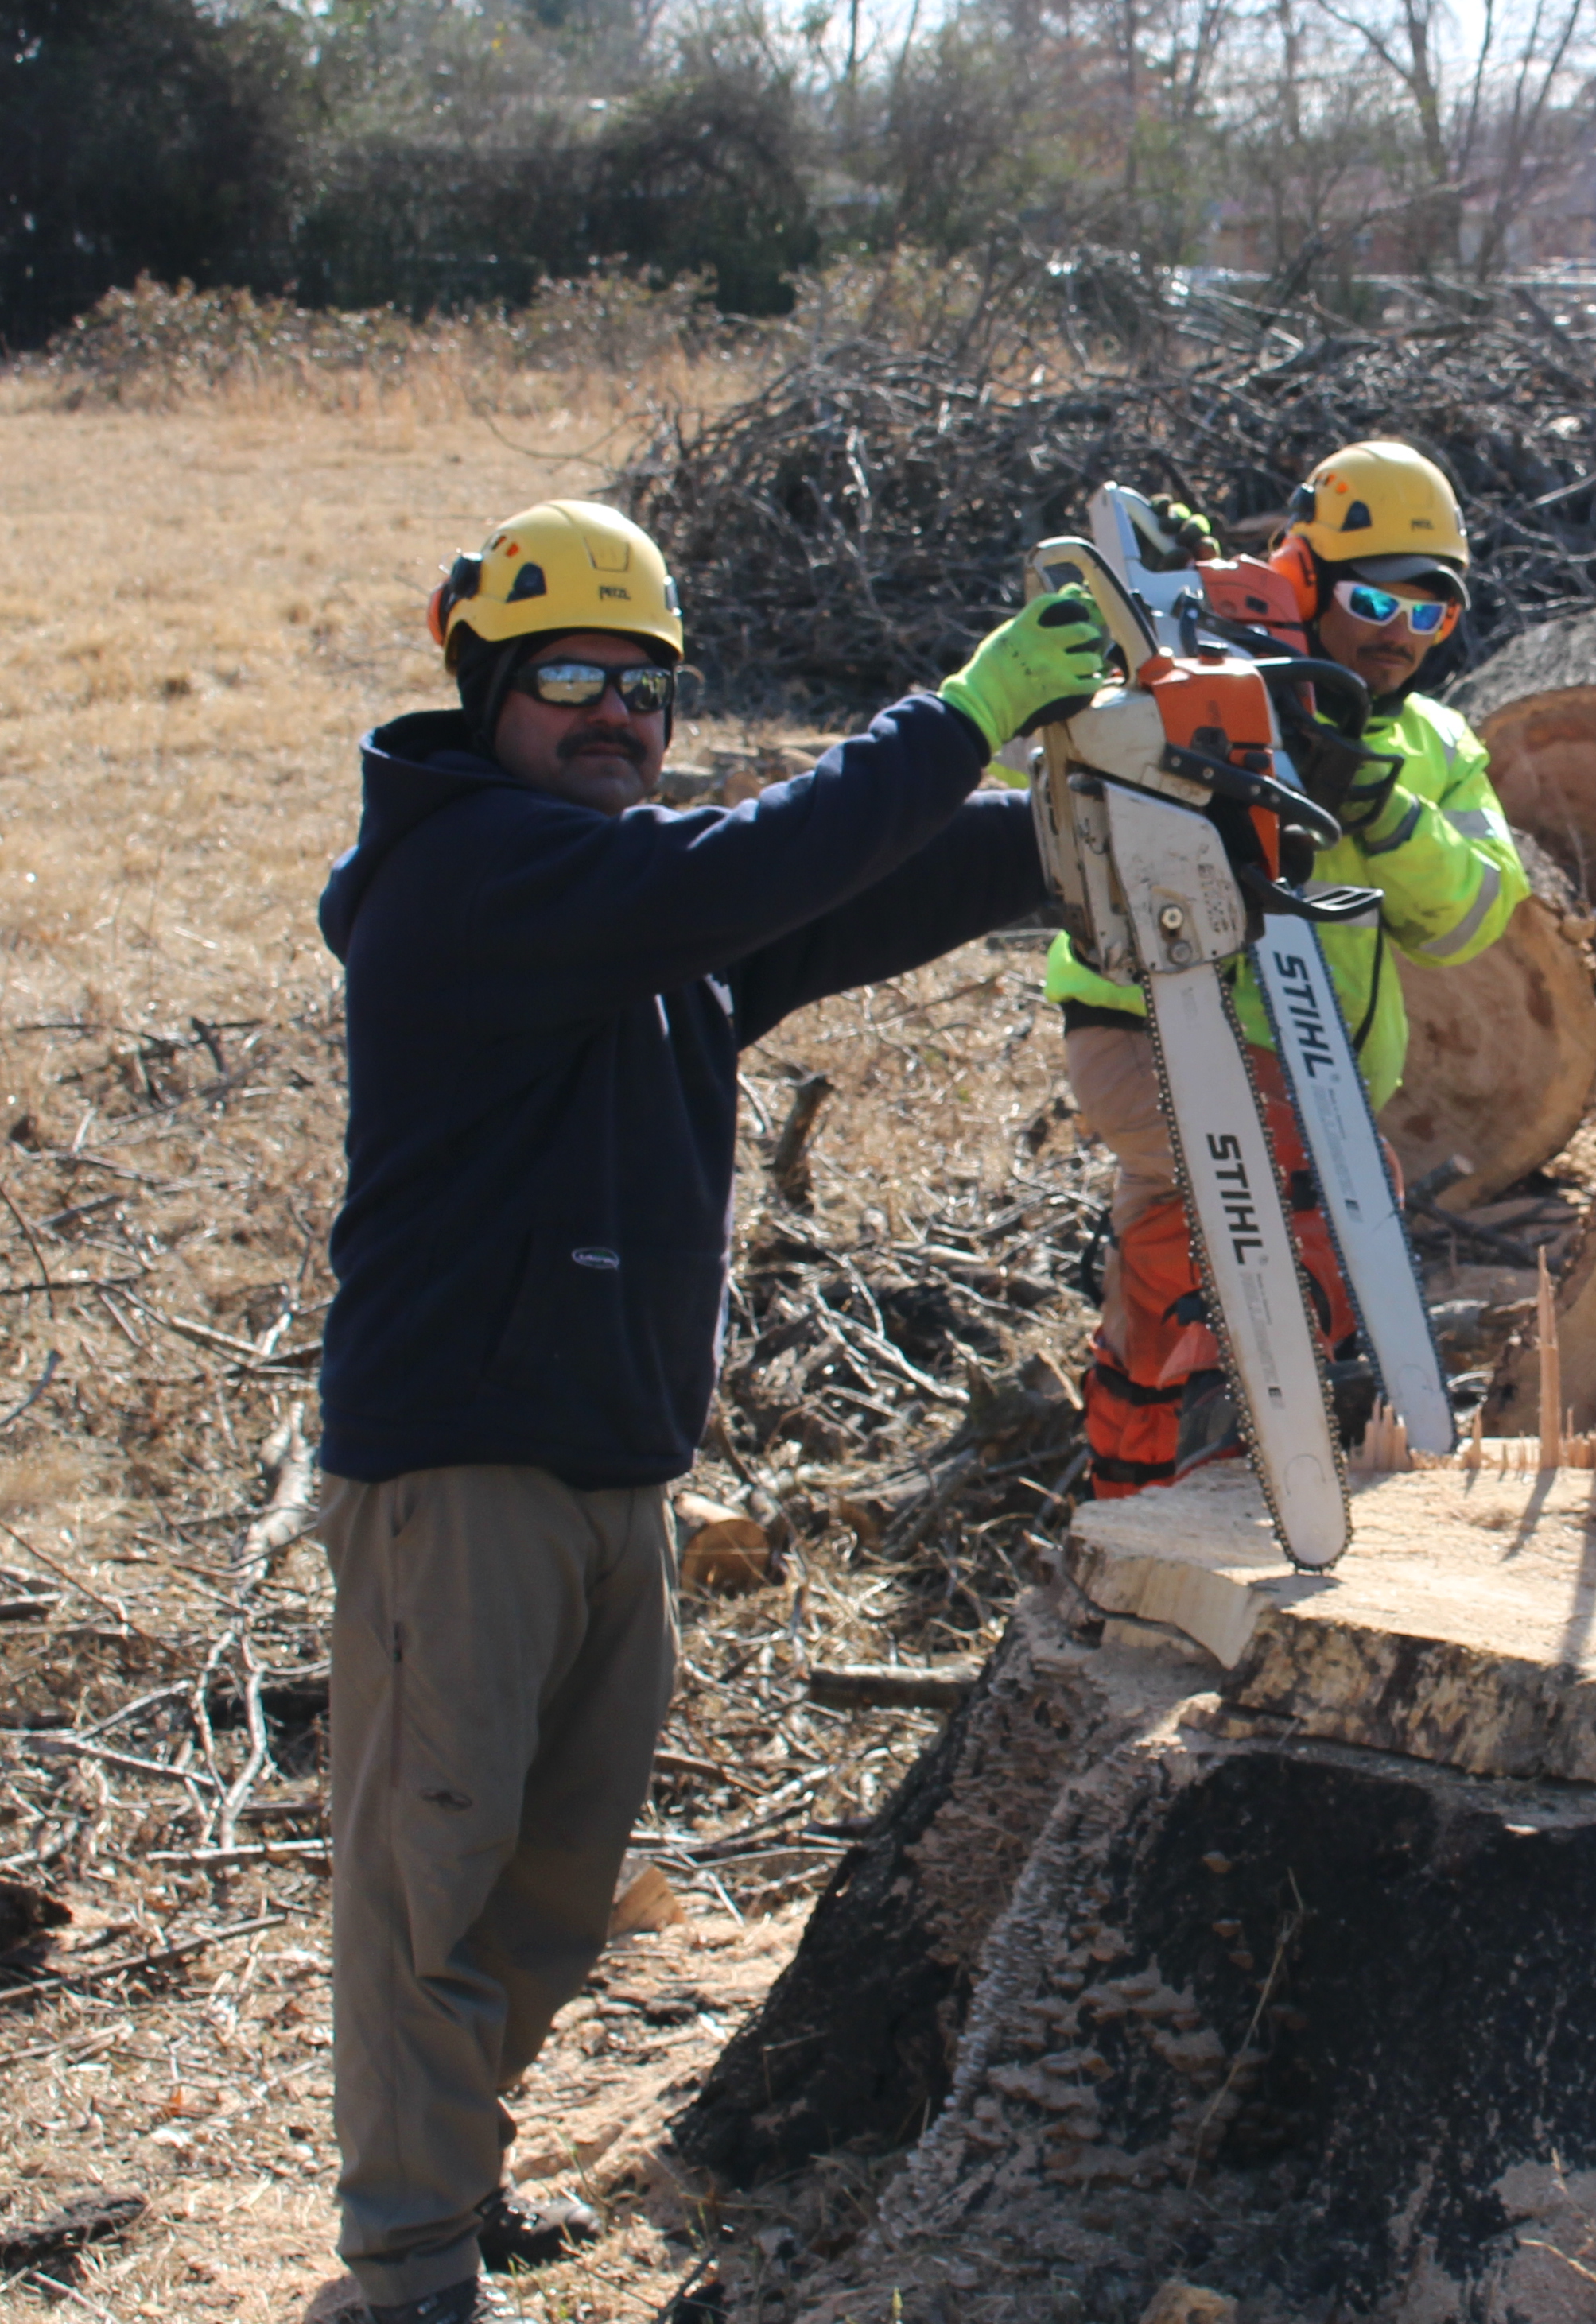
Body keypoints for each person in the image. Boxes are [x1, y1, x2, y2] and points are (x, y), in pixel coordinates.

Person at [309, 497, 1108, 2324]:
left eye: (646, 690)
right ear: (492, 688)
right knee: (426, 1885)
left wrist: (1070, 833)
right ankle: (400, 2266)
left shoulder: (623, 907)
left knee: (552, 1887)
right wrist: (967, 708)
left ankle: (453, 2173)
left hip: (613, 1466)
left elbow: (838, 894)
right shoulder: (475, 876)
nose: (614, 718)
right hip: (463, 1467)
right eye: (574, 677)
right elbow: (735, 875)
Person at [1047, 440, 1532, 1490]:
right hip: (1150, 1021)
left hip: (1315, 1067)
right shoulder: (1205, 668)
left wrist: (1374, 800)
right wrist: (1154, 632)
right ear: (1302, 577)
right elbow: (1042, 750)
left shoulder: (1435, 744)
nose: (1398, 639)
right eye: (1377, 604)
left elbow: (1474, 912)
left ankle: (1137, 1511)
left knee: (1180, 1273)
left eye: (1428, 616)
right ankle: (1250, 1474)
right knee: (1288, 1195)